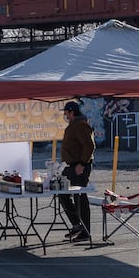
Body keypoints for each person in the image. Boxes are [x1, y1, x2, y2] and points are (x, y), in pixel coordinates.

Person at [58, 100, 94, 242]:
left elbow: (89, 146)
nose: (65, 115)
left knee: (80, 198)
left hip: (79, 167)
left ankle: (85, 231)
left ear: (72, 112)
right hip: (71, 166)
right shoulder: (74, 125)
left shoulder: (80, 125)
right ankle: (76, 224)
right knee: (62, 192)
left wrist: (82, 163)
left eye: (66, 112)